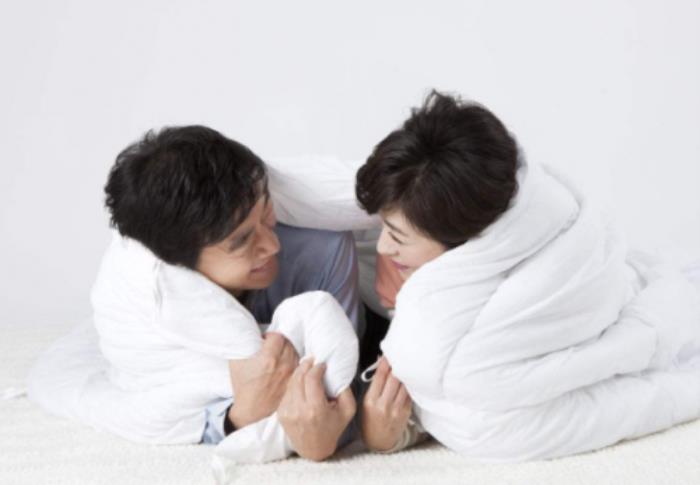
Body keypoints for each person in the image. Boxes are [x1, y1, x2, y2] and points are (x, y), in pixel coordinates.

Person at [353, 91, 700, 459]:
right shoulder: (399, 228)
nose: (383, 247)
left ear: (464, 243)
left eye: (398, 237)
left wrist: (386, 434)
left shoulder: (548, 269)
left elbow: (628, 400)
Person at [30, 126, 360, 462]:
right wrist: (240, 418)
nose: (272, 244)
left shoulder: (320, 250)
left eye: (267, 212)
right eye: (242, 241)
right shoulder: (159, 298)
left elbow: (341, 386)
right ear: (181, 264)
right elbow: (154, 408)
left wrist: (326, 434)